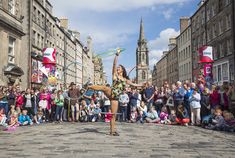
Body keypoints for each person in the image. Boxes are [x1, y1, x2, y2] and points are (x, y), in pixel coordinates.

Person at [87, 48, 142, 136]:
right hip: (111, 92)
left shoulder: (125, 80)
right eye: (117, 68)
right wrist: (117, 55)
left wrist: (142, 85)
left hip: (115, 98)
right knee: (105, 88)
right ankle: (89, 86)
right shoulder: (115, 75)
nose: (117, 68)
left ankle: (112, 131)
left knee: (113, 115)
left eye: (119, 68)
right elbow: (114, 64)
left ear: (122, 70)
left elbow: (134, 85)